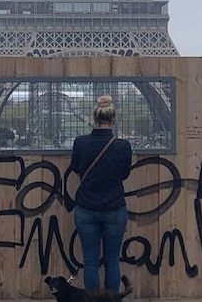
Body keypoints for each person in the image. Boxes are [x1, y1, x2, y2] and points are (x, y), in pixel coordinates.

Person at [71, 95, 133, 292]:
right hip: (114, 209)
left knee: (90, 261)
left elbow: (76, 168)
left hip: (86, 209)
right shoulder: (123, 146)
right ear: (113, 120)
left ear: (94, 118)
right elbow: (124, 174)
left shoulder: (80, 143)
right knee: (112, 261)